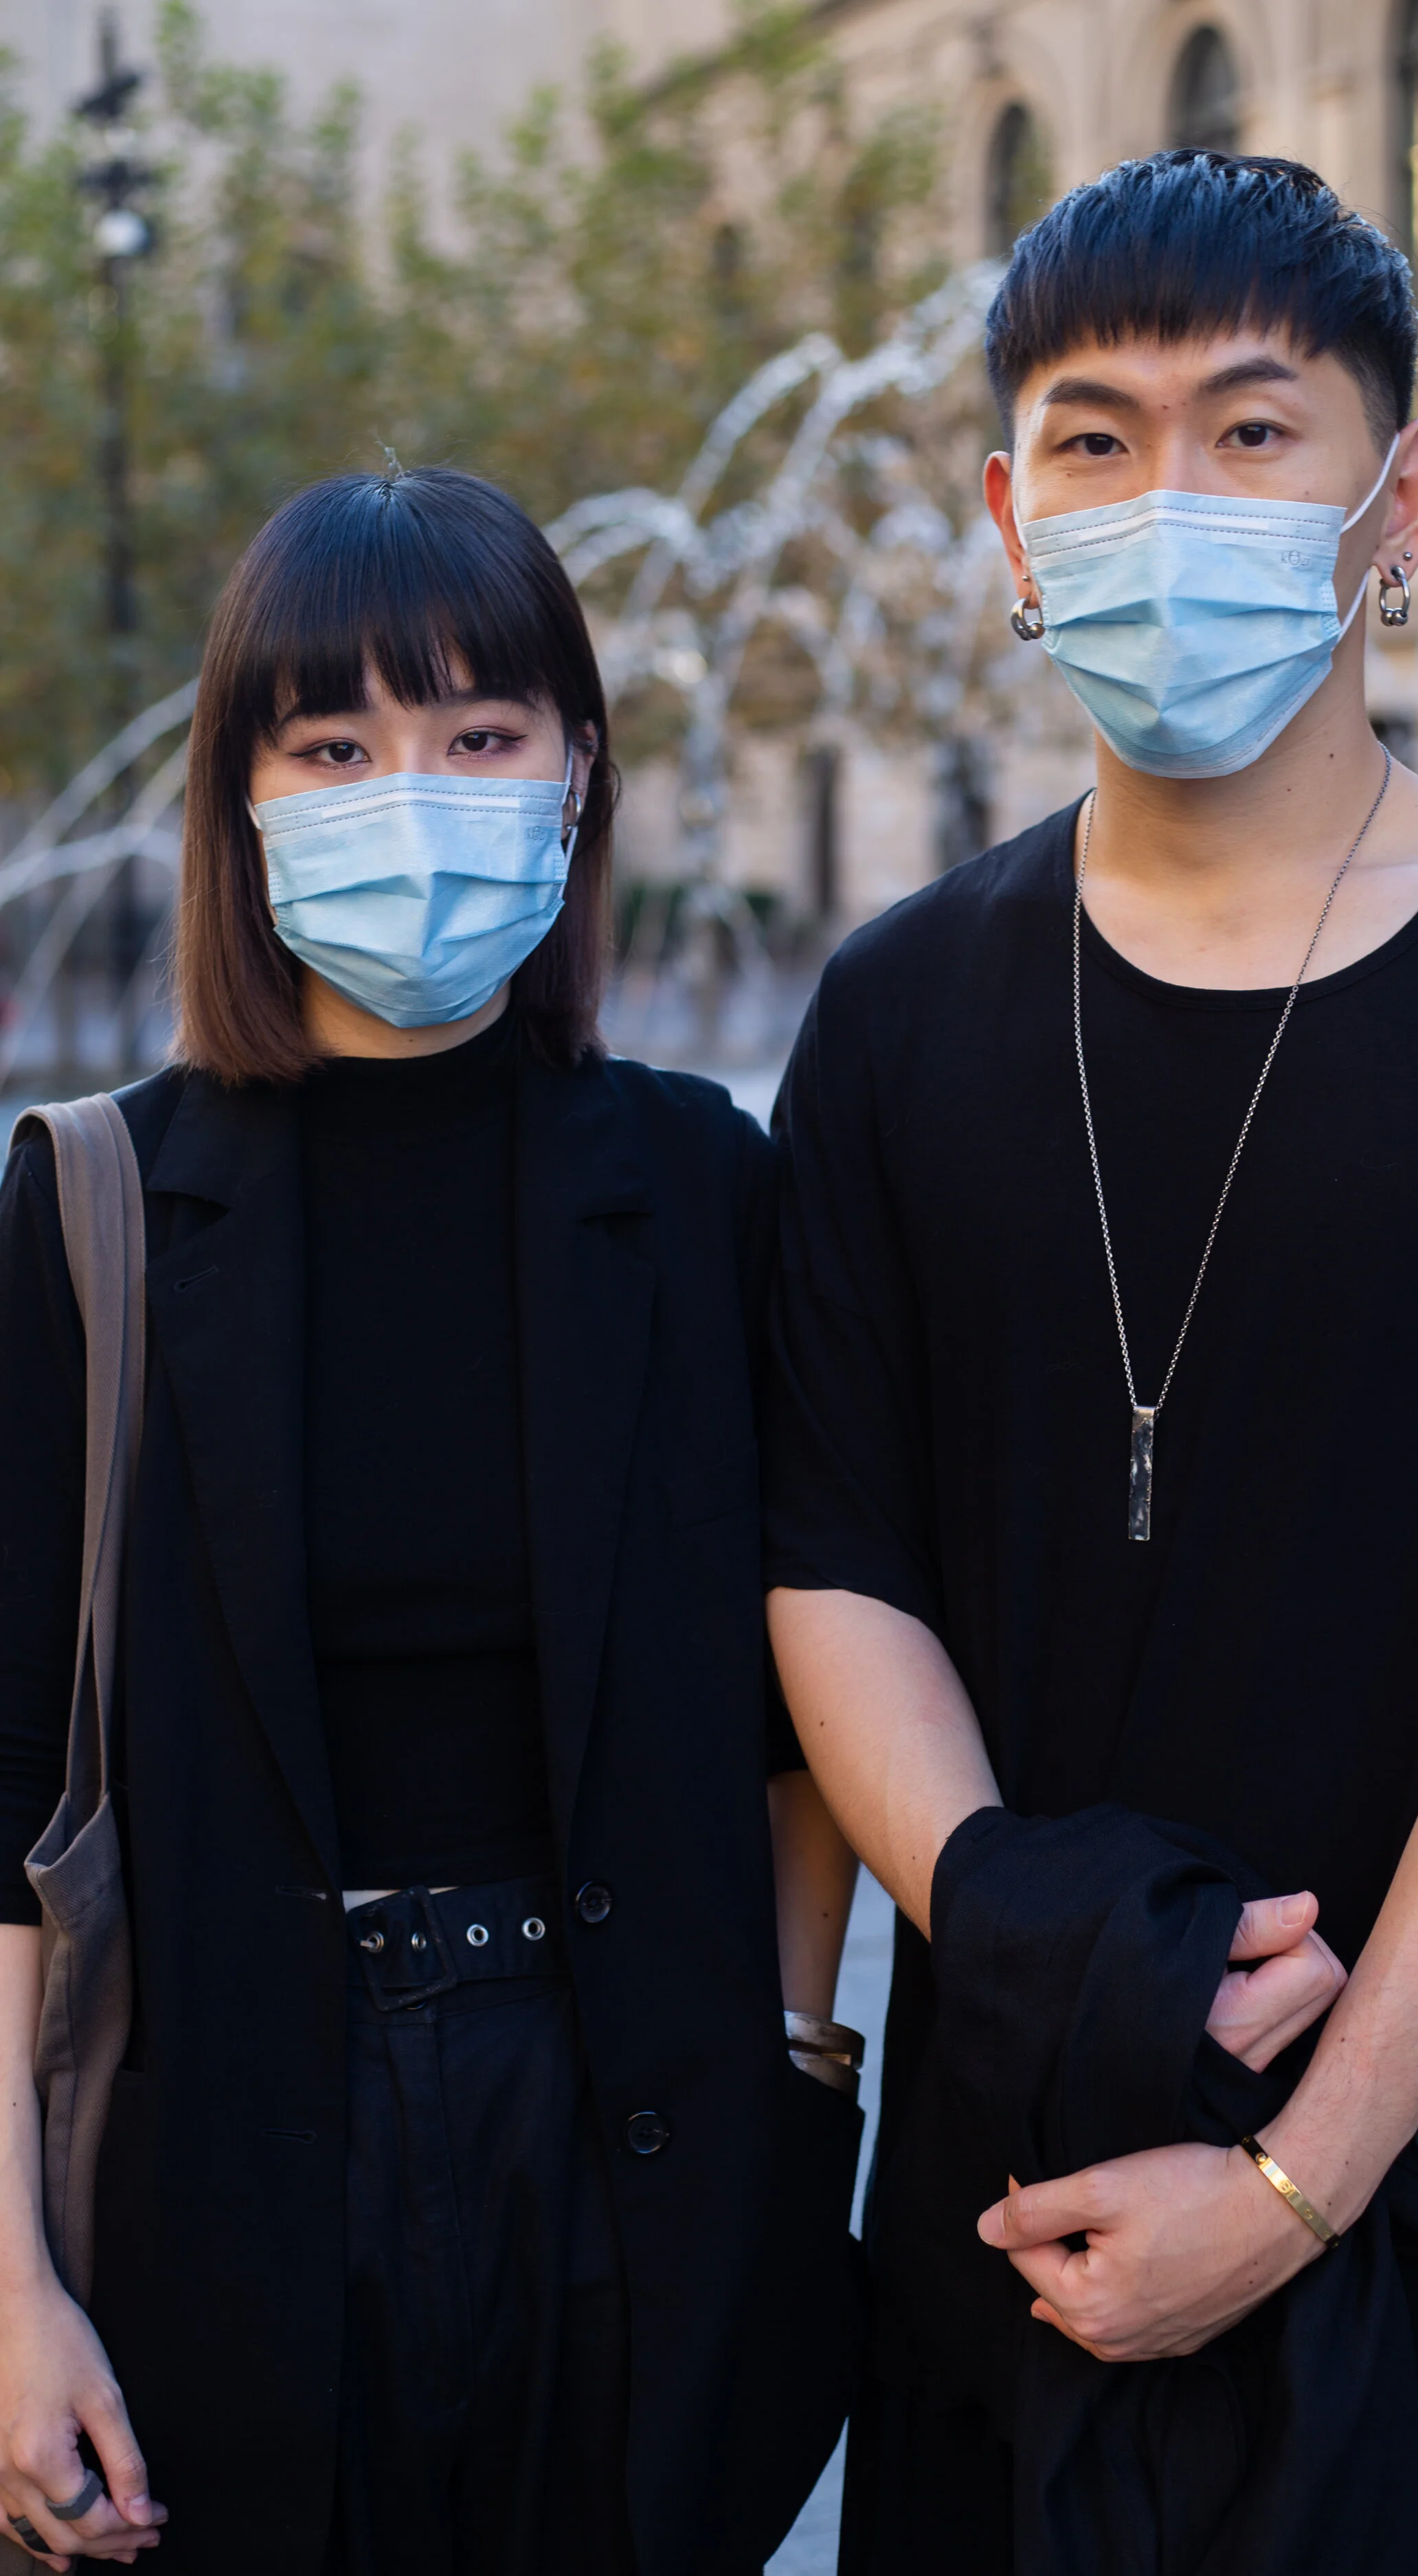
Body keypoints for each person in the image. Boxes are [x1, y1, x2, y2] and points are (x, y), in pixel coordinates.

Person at [765, 152, 1418, 2574]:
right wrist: (1037, 1928)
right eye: (1094, 439)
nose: (1161, 498)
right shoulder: (891, 1012)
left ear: (1401, 494)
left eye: (1250, 429)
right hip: (1026, 2199)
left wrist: (1302, 2171)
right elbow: (828, 1553)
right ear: (1004, 513)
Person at [0, 464, 862, 2575]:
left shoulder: (701, 1189)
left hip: (625, 2128)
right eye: (338, 744)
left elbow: (799, 1715)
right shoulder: (95, 1200)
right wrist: (9, 2293)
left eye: (480, 733)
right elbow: (7, 1805)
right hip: (212, 2139)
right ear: (249, 795)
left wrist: (783, 2079)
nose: (416, 789)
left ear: (576, 770)